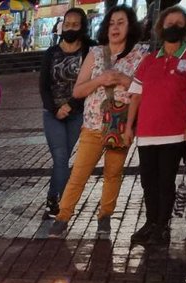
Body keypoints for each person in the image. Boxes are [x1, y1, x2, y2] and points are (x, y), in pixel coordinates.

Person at [51, 6, 145, 237]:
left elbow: (145, 91)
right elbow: (78, 90)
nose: (115, 27)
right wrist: (101, 80)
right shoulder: (95, 53)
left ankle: (105, 216)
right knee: (79, 173)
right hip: (93, 125)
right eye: (112, 23)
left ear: (130, 26)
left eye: (121, 22)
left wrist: (124, 79)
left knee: (113, 173)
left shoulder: (140, 55)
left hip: (121, 125)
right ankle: (63, 216)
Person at [124, 6, 186, 246]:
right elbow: (136, 95)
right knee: (148, 181)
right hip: (147, 132)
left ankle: (163, 225)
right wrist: (129, 126)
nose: (173, 27)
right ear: (161, 27)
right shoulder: (150, 60)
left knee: (165, 181)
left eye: (179, 23)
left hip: (175, 132)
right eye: (169, 23)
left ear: (185, 28)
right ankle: (151, 222)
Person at [39, 8, 93, 218]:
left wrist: (70, 105)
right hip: (52, 113)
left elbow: (90, 82)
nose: (70, 28)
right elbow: (43, 86)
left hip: (77, 111)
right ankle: (60, 203)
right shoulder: (51, 53)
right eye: (67, 24)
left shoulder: (90, 51)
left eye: (75, 24)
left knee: (63, 158)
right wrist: (55, 109)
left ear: (83, 27)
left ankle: (54, 197)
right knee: (60, 157)